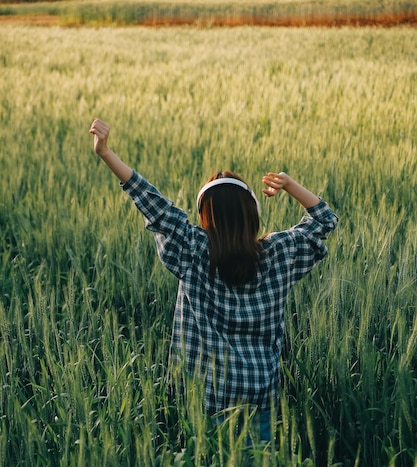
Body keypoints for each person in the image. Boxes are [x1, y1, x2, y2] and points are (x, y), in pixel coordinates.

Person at [89, 118, 338, 443]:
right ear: (253, 214)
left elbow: (156, 207)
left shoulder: (192, 249)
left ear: (205, 216)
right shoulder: (278, 253)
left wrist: (105, 152)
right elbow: (325, 220)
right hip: (259, 393)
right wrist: (288, 184)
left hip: (204, 394)